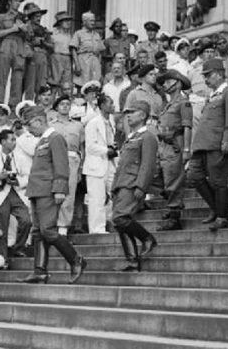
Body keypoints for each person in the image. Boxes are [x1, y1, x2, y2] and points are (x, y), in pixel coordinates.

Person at [18, 106, 87, 284]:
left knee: (48, 230)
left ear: (38, 121)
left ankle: (76, 259)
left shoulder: (55, 138)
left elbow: (61, 165)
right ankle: (40, 270)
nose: (28, 130)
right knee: (38, 232)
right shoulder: (43, 139)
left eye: (29, 125)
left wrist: (60, 189)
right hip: (38, 191)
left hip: (48, 191)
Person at [187, 59, 228, 231]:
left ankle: (222, 215)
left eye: (208, 75)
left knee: (218, 181)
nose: (206, 79)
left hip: (217, 143)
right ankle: (216, 209)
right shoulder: (212, 95)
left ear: (219, 74)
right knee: (195, 176)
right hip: (202, 144)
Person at [111, 101, 159, 272]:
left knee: (120, 218)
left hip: (132, 184)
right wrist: (114, 186)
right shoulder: (131, 137)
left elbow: (147, 164)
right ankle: (132, 260)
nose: (128, 115)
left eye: (133, 112)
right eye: (127, 112)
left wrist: (142, 186)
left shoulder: (147, 137)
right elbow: (122, 164)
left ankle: (147, 238)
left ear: (143, 115)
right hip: (122, 183)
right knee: (120, 222)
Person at [0, 129, 31, 266]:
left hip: (16, 193)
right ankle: (2, 258)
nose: (14, 142)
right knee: (1, 229)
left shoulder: (21, 158)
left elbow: (28, 176)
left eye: (15, 139)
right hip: (0, 195)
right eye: (12, 140)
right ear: (3, 142)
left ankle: (18, 247)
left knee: (26, 221)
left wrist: (19, 182)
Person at [154, 70, 193, 231]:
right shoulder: (169, 103)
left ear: (177, 83)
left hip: (174, 144)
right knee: (156, 177)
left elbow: (187, 126)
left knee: (173, 179)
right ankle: (173, 204)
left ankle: (175, 214)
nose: (164, 85)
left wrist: (186, 149)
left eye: (168, 81)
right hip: (164, 144)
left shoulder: (183, 102)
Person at [50, 94, 85, 236]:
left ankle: (63, 227)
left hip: (72, 159)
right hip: (54, 160)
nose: (65, 106)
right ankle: (51, 225)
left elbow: (82, 148)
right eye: (61, 104)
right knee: (54, 191)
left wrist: (81, 167)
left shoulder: (78, 125)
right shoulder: (51, 125)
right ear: (56, 108)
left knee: (69, 194)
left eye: (67, 104)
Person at [83, 94, 117, 234]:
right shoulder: (93, 122)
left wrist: (113, 149)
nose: (112, 106)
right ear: (102, 105)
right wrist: (106, 151)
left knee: (115, 193)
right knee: (97, 198)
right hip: (96, 164)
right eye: (109, 103)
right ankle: (97, 229)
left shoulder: (111, 122)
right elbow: (90, 146)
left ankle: (111, 222)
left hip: (110, 163)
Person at [0, 0, 28, 107]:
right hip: (6, 43)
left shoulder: (24, 17)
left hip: (20, 45)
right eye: (15, 0)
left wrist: (25, 29)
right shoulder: (2, 16)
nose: (18, 3)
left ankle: (14, 104)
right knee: (2, 74)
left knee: (18, 76)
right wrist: (12, 29)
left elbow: (30, 35)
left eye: (19, 1)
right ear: (9, 1)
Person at [23, 3, 53, 101]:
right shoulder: (26, 27)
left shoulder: (44, 30)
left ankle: (40, 105)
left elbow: (52, 46)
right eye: (36, 16)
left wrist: (43, 42)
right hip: (31, 56)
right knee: (30, 83)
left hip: (43, 56)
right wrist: (32, 41)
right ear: (31, 17)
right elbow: (24, 41)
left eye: (40, 16)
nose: (38, 18)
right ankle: (29, 105)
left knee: (42, 84)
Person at [70, 12, 105, 88]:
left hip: (94, 61)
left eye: (94, 21)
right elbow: (73, 49)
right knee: (82, 85)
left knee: (94, 85)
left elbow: (100, 51)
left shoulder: (96, 34)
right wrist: (77, 65)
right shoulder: (78, 33)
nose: (93, 23)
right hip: (83, 61)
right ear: (84, 22)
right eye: (91, 21)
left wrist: (99, 63)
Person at [51, 11, 74, 92]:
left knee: (67, 82)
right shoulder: (54, 34)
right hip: (57, 57)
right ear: (60, 23)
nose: (68, 23)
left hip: (68, 58)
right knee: (55, 81)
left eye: (69, 20)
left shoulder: (70, 35)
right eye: (65, 20)